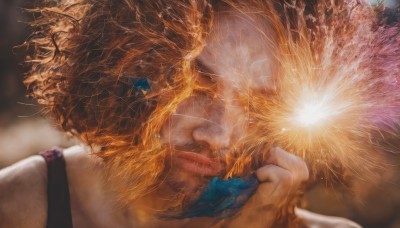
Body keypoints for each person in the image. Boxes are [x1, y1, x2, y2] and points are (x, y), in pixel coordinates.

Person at [2, 0, 398, 227]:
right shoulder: (17, 207)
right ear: (123, 66)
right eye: (196, 87)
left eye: (259, 104)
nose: (220, 135)